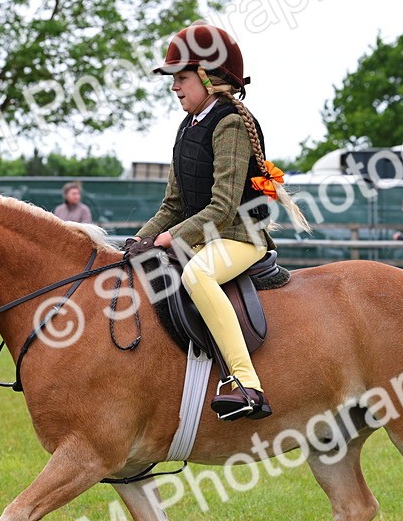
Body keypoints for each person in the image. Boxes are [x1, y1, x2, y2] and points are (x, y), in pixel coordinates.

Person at [129, 23, 309, 421]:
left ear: (208, 78)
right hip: (202, 237)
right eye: (173, 80)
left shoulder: (228, 123)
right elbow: (173, 205)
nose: (174, 87)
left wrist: (171, 237)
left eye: (182, 78)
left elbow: (223, 207)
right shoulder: (187, 126)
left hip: (240, 236)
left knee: (197, 277)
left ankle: (247, 383)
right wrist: (137, 240)